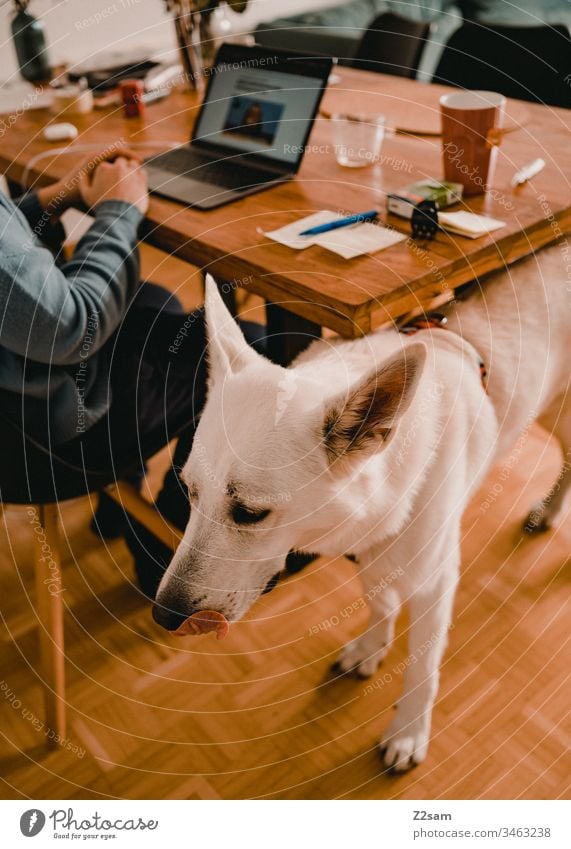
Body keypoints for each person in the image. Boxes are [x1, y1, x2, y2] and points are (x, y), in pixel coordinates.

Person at [0, 149, 265, 596]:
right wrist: (118, 211)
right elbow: (74, 326)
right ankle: (158, 555)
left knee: (149, 298)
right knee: (251, 349)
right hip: (43, 446)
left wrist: (51, 199)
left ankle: (119, 504)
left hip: (21, 409)